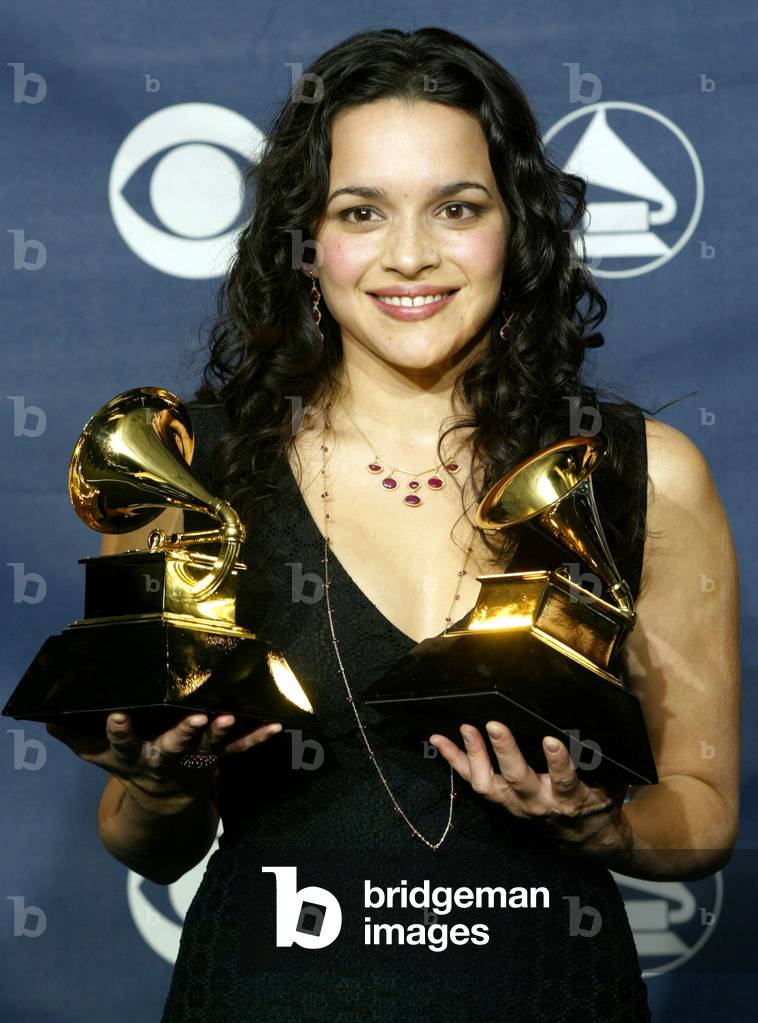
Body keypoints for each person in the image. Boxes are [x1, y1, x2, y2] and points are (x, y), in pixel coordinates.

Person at [46, 26, 740, 1023]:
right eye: (360, 211)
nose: (409, 254)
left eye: (457, 208)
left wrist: (604, 829)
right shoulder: (184, 469)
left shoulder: (642, 475)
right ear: (305, 240)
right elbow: (143, 840)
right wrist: (160, 785)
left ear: (516, 228)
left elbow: (703, 813)